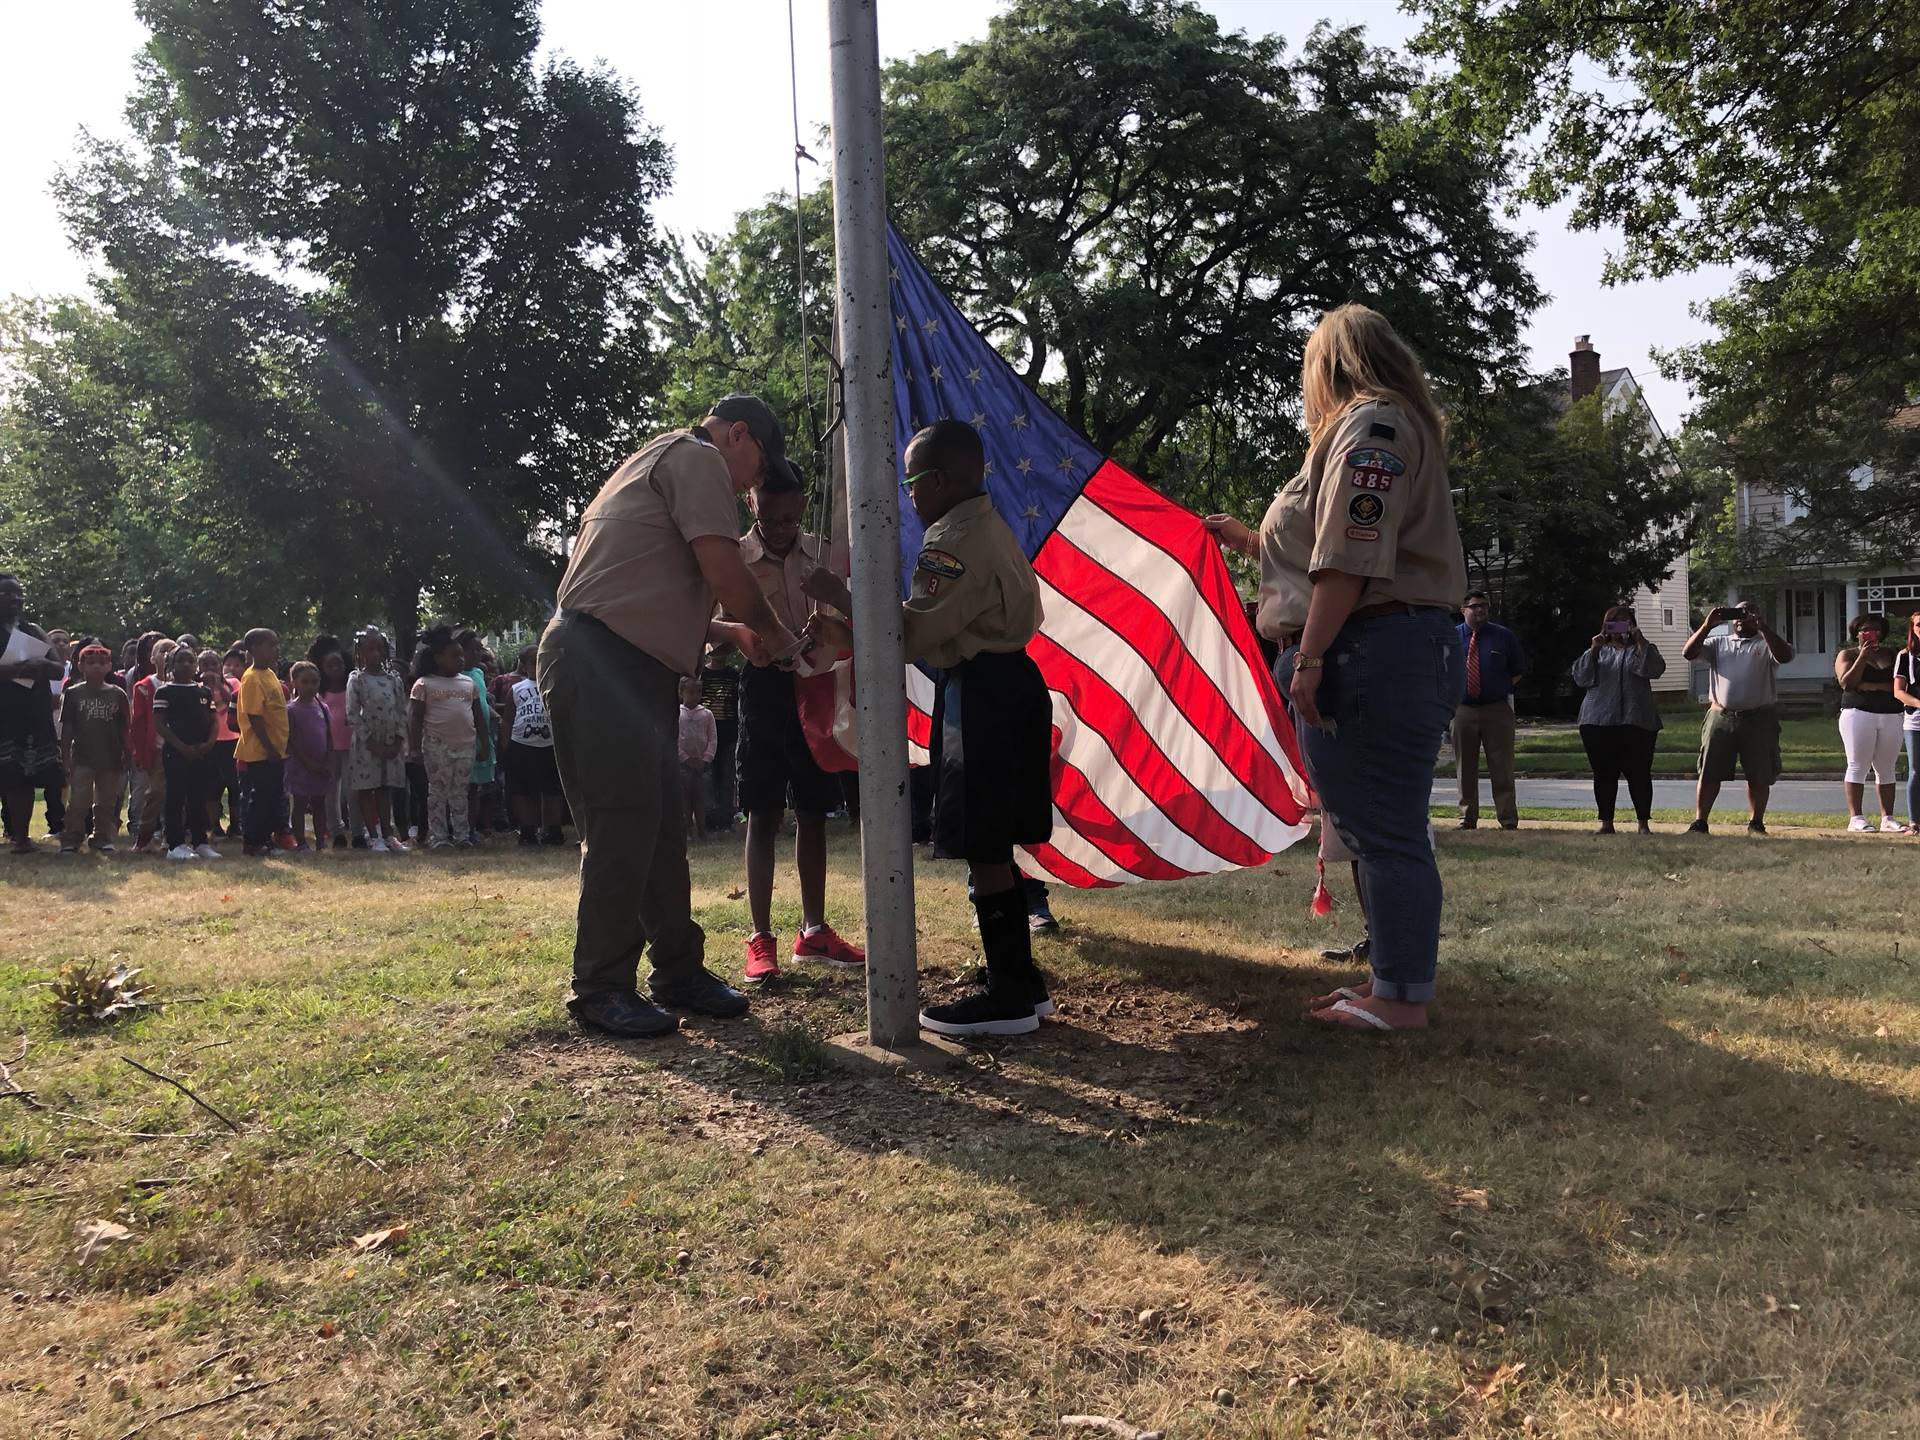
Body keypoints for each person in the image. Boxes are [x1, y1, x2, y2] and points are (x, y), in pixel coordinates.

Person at [1204, 304, 1465, 1033]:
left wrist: (1311, 657)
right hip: (1380, 642)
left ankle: (1401, 998)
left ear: (1331, 363)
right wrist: (1246, 541)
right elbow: (1317, 556)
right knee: (1377, 827)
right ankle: (1392, 980)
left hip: (1371, 648)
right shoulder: (1371, 427)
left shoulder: (1370, 426)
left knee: (1386, 831)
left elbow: (1350, 558)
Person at [540, 394, 802, 1039]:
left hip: (618, 661)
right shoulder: (699, 460)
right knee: (624, 823)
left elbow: (641, 587)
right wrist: (773, 633)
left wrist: (728, 634)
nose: (752, 491)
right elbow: (727, 573)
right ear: (738, 435)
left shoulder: (658, 457)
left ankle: (678, 971)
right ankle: (600, 987)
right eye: (758, 472)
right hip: (606, 664)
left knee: (657, 829)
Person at [804, 418, 1052, 1037]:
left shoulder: (955, 543)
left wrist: (840, 595)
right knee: (992, 841)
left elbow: (912, 632)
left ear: (940, 480)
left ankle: (1009, 996)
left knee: (984, 843)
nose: (909, 495)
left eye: (913, 481)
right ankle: (1018, 976)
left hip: (985, 695)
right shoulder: (986, 527)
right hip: (1008, 682)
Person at [719, 458, 866, 985]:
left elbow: (859, 619)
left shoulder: (825, 553)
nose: (782, 528)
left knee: (813, 808)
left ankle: (815, 929)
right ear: (751, 502)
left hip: (817, 687)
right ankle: (760, 937)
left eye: (790, 519)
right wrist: (738, 632)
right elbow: (702, 622)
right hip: (763, 689)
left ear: (802, 507)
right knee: (763, 813)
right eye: (771, 517)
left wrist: (832, 619)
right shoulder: (731, 555)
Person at [1682, 601, 1794, 835]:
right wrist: (1707, 625)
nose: (1742, 619)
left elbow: (1785, 657)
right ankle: (1700, 822)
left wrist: (1764, 628)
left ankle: (1756, 822)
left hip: (1759, 717)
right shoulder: (1717, 643)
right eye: (1737, 615)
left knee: (1759, 772)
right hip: (1720, 716)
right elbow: (1688, 653)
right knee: (1709, 770)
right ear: (1731, 619)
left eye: (1748, 614)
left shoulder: (1766, 644)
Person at [1570, 603, 1668, 834]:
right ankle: (1606, 823)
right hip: (1598, 721)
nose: (1619, 629)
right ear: (1606, 626)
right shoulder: (1597, 651)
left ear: (1632, 625)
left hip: (1638, 721)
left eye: (1625, 622)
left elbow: (1654, 670)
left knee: (1639, 773)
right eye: (1614, 623)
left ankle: (1643, 824)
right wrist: (1594, 649)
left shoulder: (1643, 649)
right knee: (1604, 773)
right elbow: (1581, 678)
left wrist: (1641, 641)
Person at [0, 575, 69, 853]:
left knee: (22, 776)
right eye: (7, 594)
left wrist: (39, 662)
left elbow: (57, 668)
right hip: (3, 712)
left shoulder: (33, 630)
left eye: (18, 594)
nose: (15, 599)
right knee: (9, 773)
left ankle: (21, 837)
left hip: (32, 714)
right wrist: (16, 670)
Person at [1451, 592, 1526, 830]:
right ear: (1463, 610)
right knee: (1465, 767)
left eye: (1484, 606)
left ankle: (1507, 818)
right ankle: (1467, 817)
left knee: (1502, 765)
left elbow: (1518, 670)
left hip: (1496, 709)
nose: (1481, 610)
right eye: (1475, 607)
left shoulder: (1503, 636)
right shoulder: (1452, 638)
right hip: (1462, 709)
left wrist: (1498, 688)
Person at [409, 626, 486, 851]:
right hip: (436, 746)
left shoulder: (468, 684)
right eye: (454, 656)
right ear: (438, 658)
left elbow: (478, 715)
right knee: (438, 791)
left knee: (460, 792)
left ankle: (462, 835)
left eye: (462, 655)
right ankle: (439, 836)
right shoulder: (424, 684)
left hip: (465, 746)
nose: (460, 660)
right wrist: (414, 748)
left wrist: (483, 744)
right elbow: (415, 719)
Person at [1833, 613, 1908, 833]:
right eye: (1865, 630)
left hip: (1891, 714)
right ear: (1857, 633)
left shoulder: (1891, 655)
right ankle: (1856, 818)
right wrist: (1863, 658)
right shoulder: (1848, 654)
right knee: (1858, 764)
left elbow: (1898, 686)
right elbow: (1847, 683)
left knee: (1886, 768)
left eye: (1875, 630)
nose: (1870, 633)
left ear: (1881, 633)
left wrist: (1870, 686)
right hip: (1858, 713)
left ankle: (1888, 818)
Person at [57, 643, 129, 855]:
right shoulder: (72, 694)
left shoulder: (118, 694)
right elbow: (67, 729)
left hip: (111, 757)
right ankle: (72, 838)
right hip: (83, 757)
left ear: (109, 666)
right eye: (90, 663)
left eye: (101, 663)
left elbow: (125, 728)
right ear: (80, 666)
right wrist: (66, 758)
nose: (96, 667)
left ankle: (102, 837)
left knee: (106, 802)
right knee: (79, 801)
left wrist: (127, 752)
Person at [152, 645, 220, 860]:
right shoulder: (165, 691)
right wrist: (181, 747)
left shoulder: (204, 692)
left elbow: (213, 720)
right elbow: (160, 724)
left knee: (198, 796)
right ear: (171, 665)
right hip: (176, 752)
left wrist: (209, 743)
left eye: (190, 661)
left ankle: (200, 841)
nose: (187, 664)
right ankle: (175, 844)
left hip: (201, 752)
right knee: (175, 797)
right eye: (181, 661)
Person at [345, 628, 409, 852]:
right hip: (367, 743)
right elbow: (352, 714)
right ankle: (373, 836)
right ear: (360, 652)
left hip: (390, 740)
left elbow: (402, 710)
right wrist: (371, 742)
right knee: (367, 787)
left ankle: (388, 834)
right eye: (370, 649)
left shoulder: (394, 679)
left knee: (385, 786)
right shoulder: (357, 680)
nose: (375, 653)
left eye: (379, 649)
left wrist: (398, 740)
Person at [236, 627, 296, 855]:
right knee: (260, 797)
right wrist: (270, 747)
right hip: (261, 750)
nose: (275, 649)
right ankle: (253, 841)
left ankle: (267, 840)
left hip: (276, 749)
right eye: (270, 645)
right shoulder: (251, 678)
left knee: (273, 796)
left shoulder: (269, 674)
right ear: (255, 648)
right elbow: (255, 717)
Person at [498, 644, 564, 846]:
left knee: (552, 791)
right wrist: (504, 744)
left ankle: (552, 830)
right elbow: (508, 719)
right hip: (522, 744)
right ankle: (528, 830)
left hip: (550, 744)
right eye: (532, 661)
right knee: (523, 791)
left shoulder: (556, 685)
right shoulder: (516, 689)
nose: (537, 665)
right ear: (524, 665)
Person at [126, 638, 178, 853]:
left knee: (178, 794)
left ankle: (173, 836)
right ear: (152, 657)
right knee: (155, 793)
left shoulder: (183, 685)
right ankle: (144, 836)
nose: (166, 655)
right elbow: (137, 724)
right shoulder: (144, 687)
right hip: (156, 749)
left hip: (180, 749)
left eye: (171, 650)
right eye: (162, 651)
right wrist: (138, 752)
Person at [309, 636, 356, 846]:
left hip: (352, 746)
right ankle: (335, 830)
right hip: (328, 748)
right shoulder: (319, 692)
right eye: (330, 665)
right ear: (322, 668)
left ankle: (357, 830)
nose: (335, 668)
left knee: (352, 790)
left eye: (339, 663)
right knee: (331, 791)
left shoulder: (353, 687)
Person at [284, 661, 335, 850]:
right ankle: (302, 842)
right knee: (299, 804)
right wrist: (307, 763)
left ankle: (321, 841)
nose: (310, 686)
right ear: (294, 682)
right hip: (300, 766)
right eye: (305, 682)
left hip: (321, 764)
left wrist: (328, 761)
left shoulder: (323, 708)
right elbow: (291, 739)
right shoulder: (291, 710)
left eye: (315, 682)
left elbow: (329, 735)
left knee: (319, 804)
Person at [457, 629, 499, 843]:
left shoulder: (479, 673)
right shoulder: (457, 677)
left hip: (482, 736)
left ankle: (472, 829)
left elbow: (481, 702)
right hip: (462, 737)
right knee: (462, 788)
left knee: (475, 788)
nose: (476, 654)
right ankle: (459, 829)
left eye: (478, 649)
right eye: (472, 650)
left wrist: (495, 715)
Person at [199, 649, 240, 838]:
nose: (210, 668)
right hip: (210, 742)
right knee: (212, 785)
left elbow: (231, 701)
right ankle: (214, 825)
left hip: (232, 740)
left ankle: (236, 824)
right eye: (205, 665)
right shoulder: (196, 687)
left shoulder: (232, 683)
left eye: (214, 664)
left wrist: (219, 684)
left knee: (234, 784)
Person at [698, 654, 741, 834]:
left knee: (726, 778)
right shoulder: (702, 675)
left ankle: (726, 820)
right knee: (708, 779)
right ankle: (709, 820)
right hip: (706, 736)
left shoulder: (733, 675)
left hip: (728, 735)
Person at [677, 676, 717, 842]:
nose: (695, 695)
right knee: (684, 800)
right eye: (691, 692)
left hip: (702, 765)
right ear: (681, 692)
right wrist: (684, 758)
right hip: (683, 765)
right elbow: (674, 738)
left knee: (700, 799)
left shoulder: (707, 714)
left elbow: (713, 738)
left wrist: (706, 758)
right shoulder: (677, 713)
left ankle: (702, 831)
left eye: (698, 692)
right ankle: (687, 831)